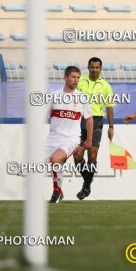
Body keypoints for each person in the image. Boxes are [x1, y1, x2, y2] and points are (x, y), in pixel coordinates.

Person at [47, 66, 93, 203]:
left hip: (72, 138)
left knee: (55, 159)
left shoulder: (82, 98)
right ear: (65, 77)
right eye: (73, 77)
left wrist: (89, 139)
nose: (76, 80)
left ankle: (56, 191)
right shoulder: (54, 96)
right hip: (52, 137)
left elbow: (89, 119)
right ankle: (59, 190)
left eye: (78, 78)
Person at [73, 57, 115, 200]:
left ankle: (86, 187)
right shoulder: (80, 81)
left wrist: (111, 126)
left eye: (97, 67)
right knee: (77, 155)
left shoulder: (106, 86)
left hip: (96, 121)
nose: (95, 70)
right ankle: (88, 181)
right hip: (79, 121)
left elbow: (109, 108)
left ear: (101, 69)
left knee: (92, 155)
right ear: (88, 67)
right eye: (92, 67)